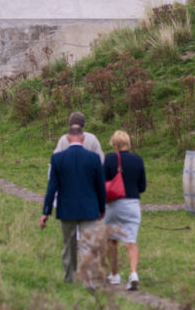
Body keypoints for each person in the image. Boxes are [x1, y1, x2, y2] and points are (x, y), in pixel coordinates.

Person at [41, 123, 106, 283]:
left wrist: (46, 212)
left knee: (69, 245)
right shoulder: (94, 158)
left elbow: (52, 187)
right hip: (89, 208)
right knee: (87, 244)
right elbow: (100, 186)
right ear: (83, 138)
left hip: (67, 208)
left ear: (68, 138)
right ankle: (88, 278)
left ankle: (69, 277)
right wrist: (102, 208)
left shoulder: (57, 159)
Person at [103, 130, 146, 291]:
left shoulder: (109, 159)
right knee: (131, 242)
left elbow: (102, 183)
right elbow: (142, 186)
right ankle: (133, 273)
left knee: (111, 240)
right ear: (128, 143)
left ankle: (114, 275)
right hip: (132, 205)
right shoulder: (138, 160)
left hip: (113, 205)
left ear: (114, 144)